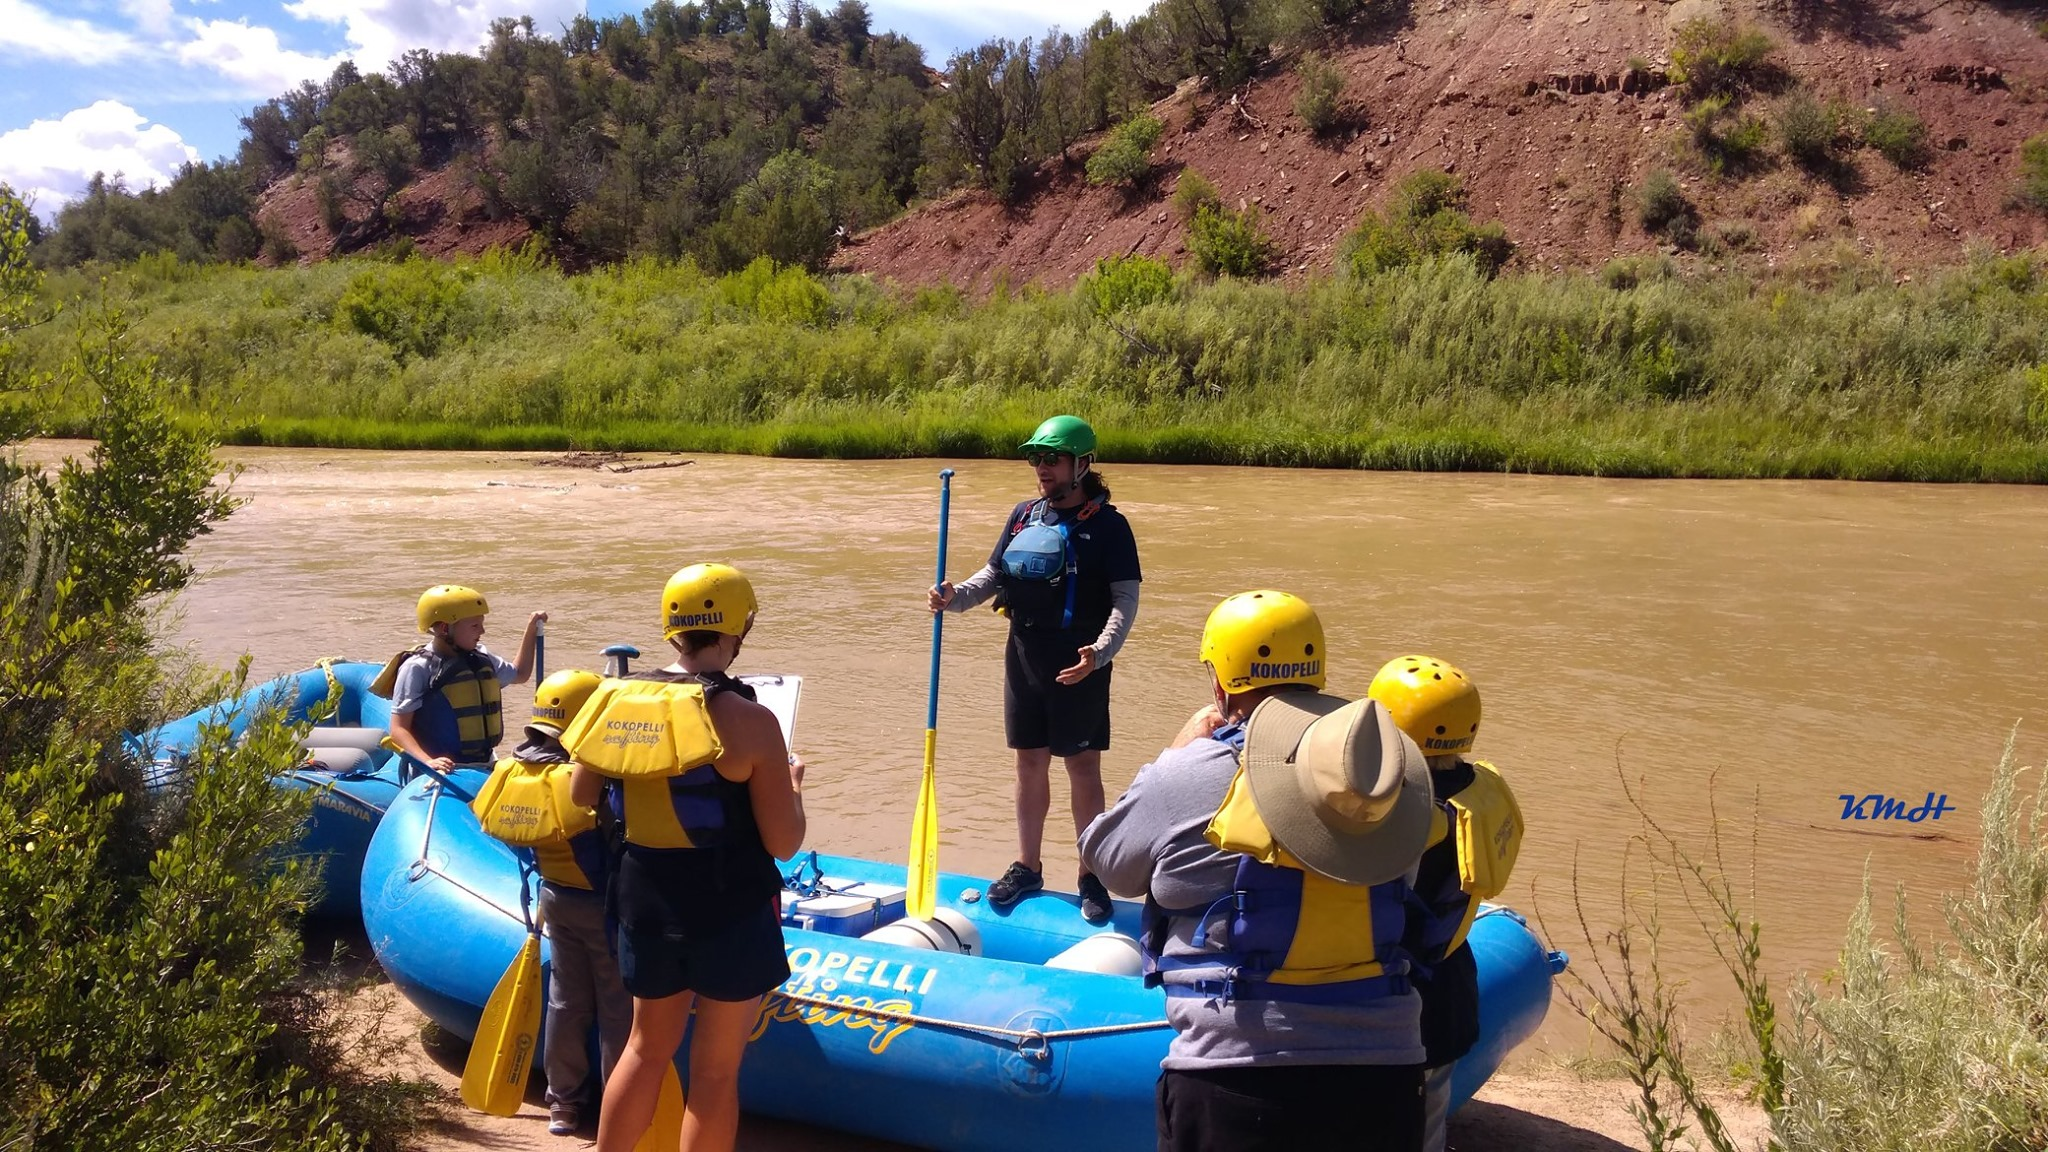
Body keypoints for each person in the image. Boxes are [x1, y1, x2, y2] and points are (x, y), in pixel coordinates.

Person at [1078, 590, 1434, 1152]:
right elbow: (1404, 882)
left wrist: (1173, 756)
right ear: (1315, 677)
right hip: (1387, 1069)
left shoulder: (1190, 771)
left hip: (1232, 1070)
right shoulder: (1390, 774)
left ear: (1220, 684)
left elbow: (1109, 863)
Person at [566, 563, 805, 1152]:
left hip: (643, 896)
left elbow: (579, 796)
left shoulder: (613, 698)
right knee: (717, 1072)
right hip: (729, 906)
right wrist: (793, 785)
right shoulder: (751, 720)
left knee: (646, 1050)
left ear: (671, 629)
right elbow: (784, 842)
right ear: (738, 627)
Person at [928, 415, 1141, 922]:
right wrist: (955, 597)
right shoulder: (1025, 515)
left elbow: (1124, 600)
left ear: (1081, 464)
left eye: (1052, 459)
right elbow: (993, 575)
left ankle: (1091, 873)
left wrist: (1101, 652)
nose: (1041, 468)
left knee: (1082, 767)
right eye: (1036, 459)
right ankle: (1027, 866)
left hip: (1080, 662)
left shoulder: (1110, 527)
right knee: (1028, 762)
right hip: (1023, 655)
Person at [1368, 656, 1523, 1152]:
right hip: (1450, 989)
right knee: (1427, 1122)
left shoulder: (1393, 811)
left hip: (1391, 1001)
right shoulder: (1484, 790)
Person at [471, 668, 634, 1138]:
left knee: (566, 1002)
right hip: (602, 906)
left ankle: (562, 1102)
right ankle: (614, 1105)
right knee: (616, 1008)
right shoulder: (590, 777)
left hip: (553, 896)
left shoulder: (518, 769)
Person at [377, 584, 544, 768]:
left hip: (483, 763)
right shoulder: (417, 668)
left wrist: (531, 630)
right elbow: (399, 729)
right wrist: (428, 761)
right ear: (444, 629)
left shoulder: (481, 658)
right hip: (436, 766)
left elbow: (520, 674)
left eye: (482, 624)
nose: (482, 631)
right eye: (474, 625)